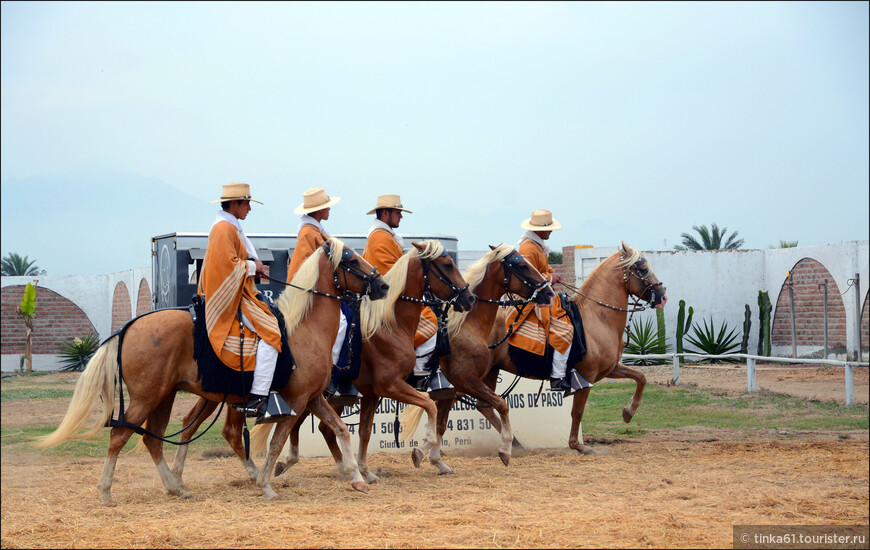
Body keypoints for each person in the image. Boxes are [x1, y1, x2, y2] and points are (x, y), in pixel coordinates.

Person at [198, 183, 285, 418]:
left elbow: (233, 261)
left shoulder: (231, 227)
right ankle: (257, 397)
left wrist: (251, 268)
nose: (249, 209)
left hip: (241, 292)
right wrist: (251, 266)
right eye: (246, 203)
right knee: (272, 333)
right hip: (232, 298)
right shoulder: (224, 229)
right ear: (235, 204)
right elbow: (226, 267)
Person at [362, 194, 453, 396]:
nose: (401, 217)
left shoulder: (386, 237)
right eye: (397, 213)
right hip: (385, 303)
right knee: (430, 320)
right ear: (385, 213)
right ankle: (421, 372)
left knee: (433, 313)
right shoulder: (380, 238)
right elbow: (389, 276)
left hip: (390, 298)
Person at [505, 209, 588, 395]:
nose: (551, 232)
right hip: (531, 300)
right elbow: (527, 278)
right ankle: (558, 377)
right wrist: (550, 278)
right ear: (538, 230)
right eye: (548, 229)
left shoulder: (537, 246)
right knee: (564, 331)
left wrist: (551, 275)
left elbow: (542, 269)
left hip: (541, 295)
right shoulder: (528, 248)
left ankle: (570, 368)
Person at [286, 187, 357, 400]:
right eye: (326, 206)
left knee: (350, 316)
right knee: (343, 321)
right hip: (309, 295)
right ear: (318, 210)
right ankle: (332, 373)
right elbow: (304, 267)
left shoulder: (318, 231)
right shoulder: (309, 232)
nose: (329, 210)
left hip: (320, 292)